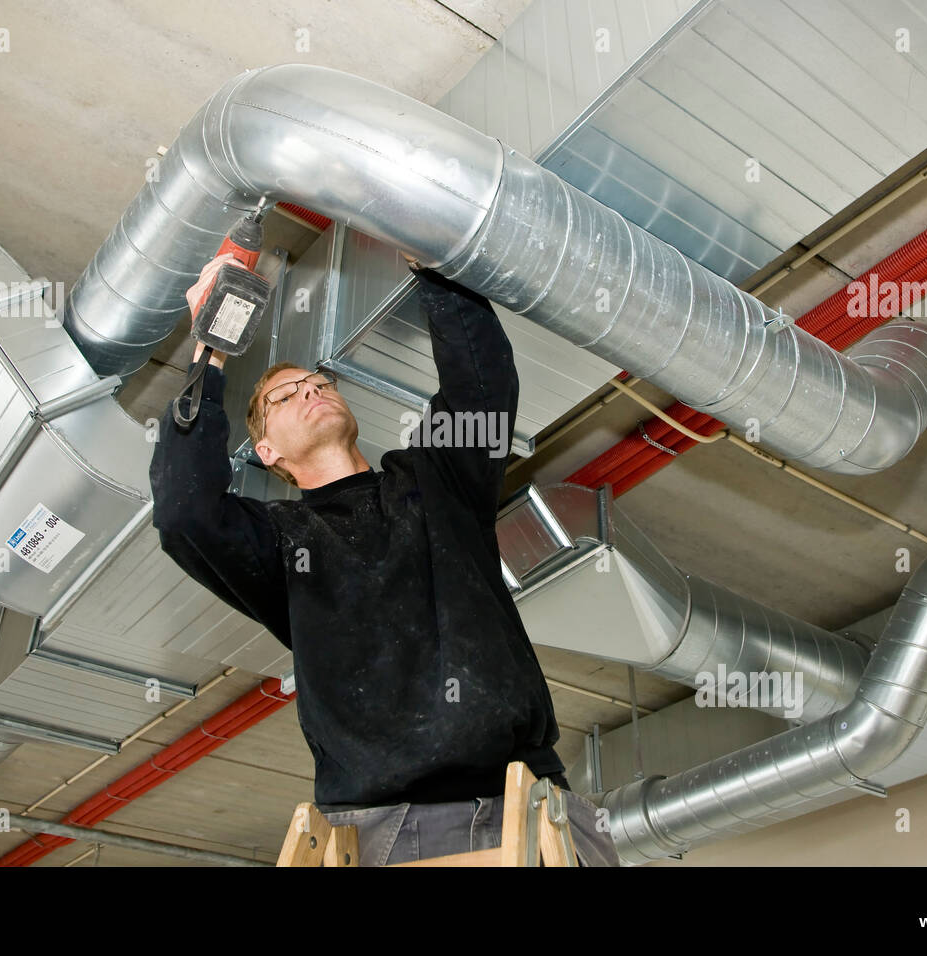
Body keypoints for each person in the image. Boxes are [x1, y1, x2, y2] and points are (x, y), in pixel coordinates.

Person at [149, 250, 620, 866]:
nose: (312, 390)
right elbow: (186, 515)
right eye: (286, 395)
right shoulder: (279, 542)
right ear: (266, 452)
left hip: (534, 801)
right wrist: (211, 348)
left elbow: (482, 389)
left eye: (319, 383)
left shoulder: (434, 481)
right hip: (397, 829)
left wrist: (435, 266)